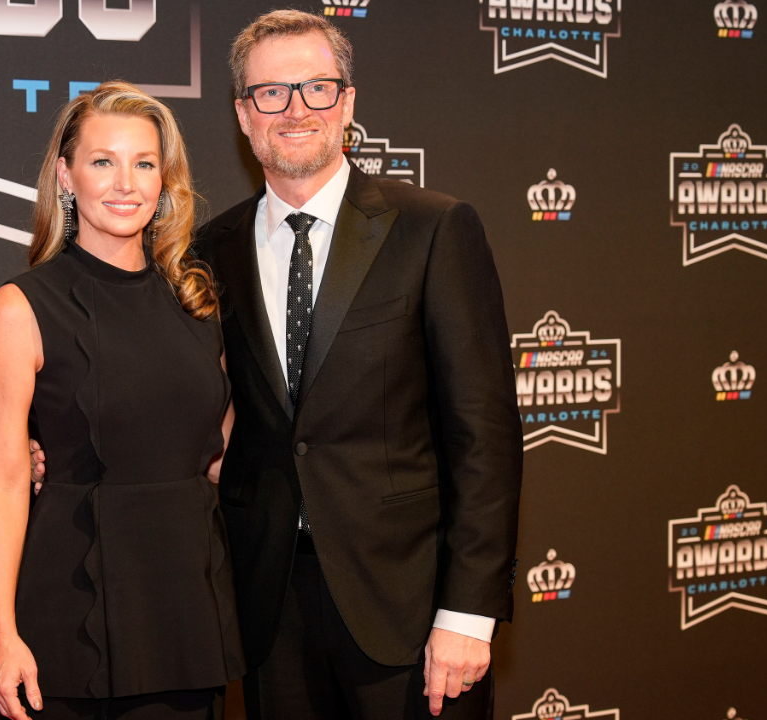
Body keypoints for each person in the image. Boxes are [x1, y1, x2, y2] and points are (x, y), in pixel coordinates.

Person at [195, 10, 523, 720]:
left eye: (316, 88)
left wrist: (468, 612)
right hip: (269, 609)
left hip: (408, 608)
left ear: (347, 102)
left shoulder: (433, 228)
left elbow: (484, 433)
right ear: (243, 116)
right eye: (270, 94)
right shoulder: (207, 251)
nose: (295, 110)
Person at [0, 81, 243, 720]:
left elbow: (220, 454)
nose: (126, 183)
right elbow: (7, 480)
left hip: (188, 605)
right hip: (75, 609)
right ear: (65, 176)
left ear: (164, 178)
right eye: (103, 161)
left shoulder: (197, 301)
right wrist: (2, 633)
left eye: (144, 163)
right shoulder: (21, 309)